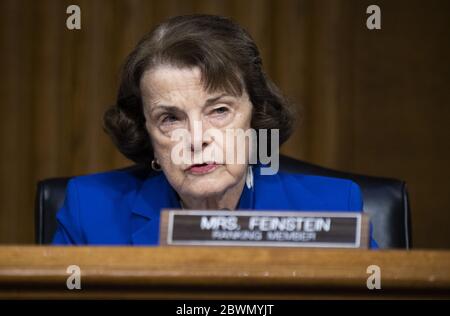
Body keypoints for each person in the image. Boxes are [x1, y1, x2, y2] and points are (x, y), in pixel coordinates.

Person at [52, 14, 377, 248]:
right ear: (146, 132)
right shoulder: (90, 213)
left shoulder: (333, 206)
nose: (196, 138)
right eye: (170, 119)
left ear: (256, 117)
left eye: (219, 111)